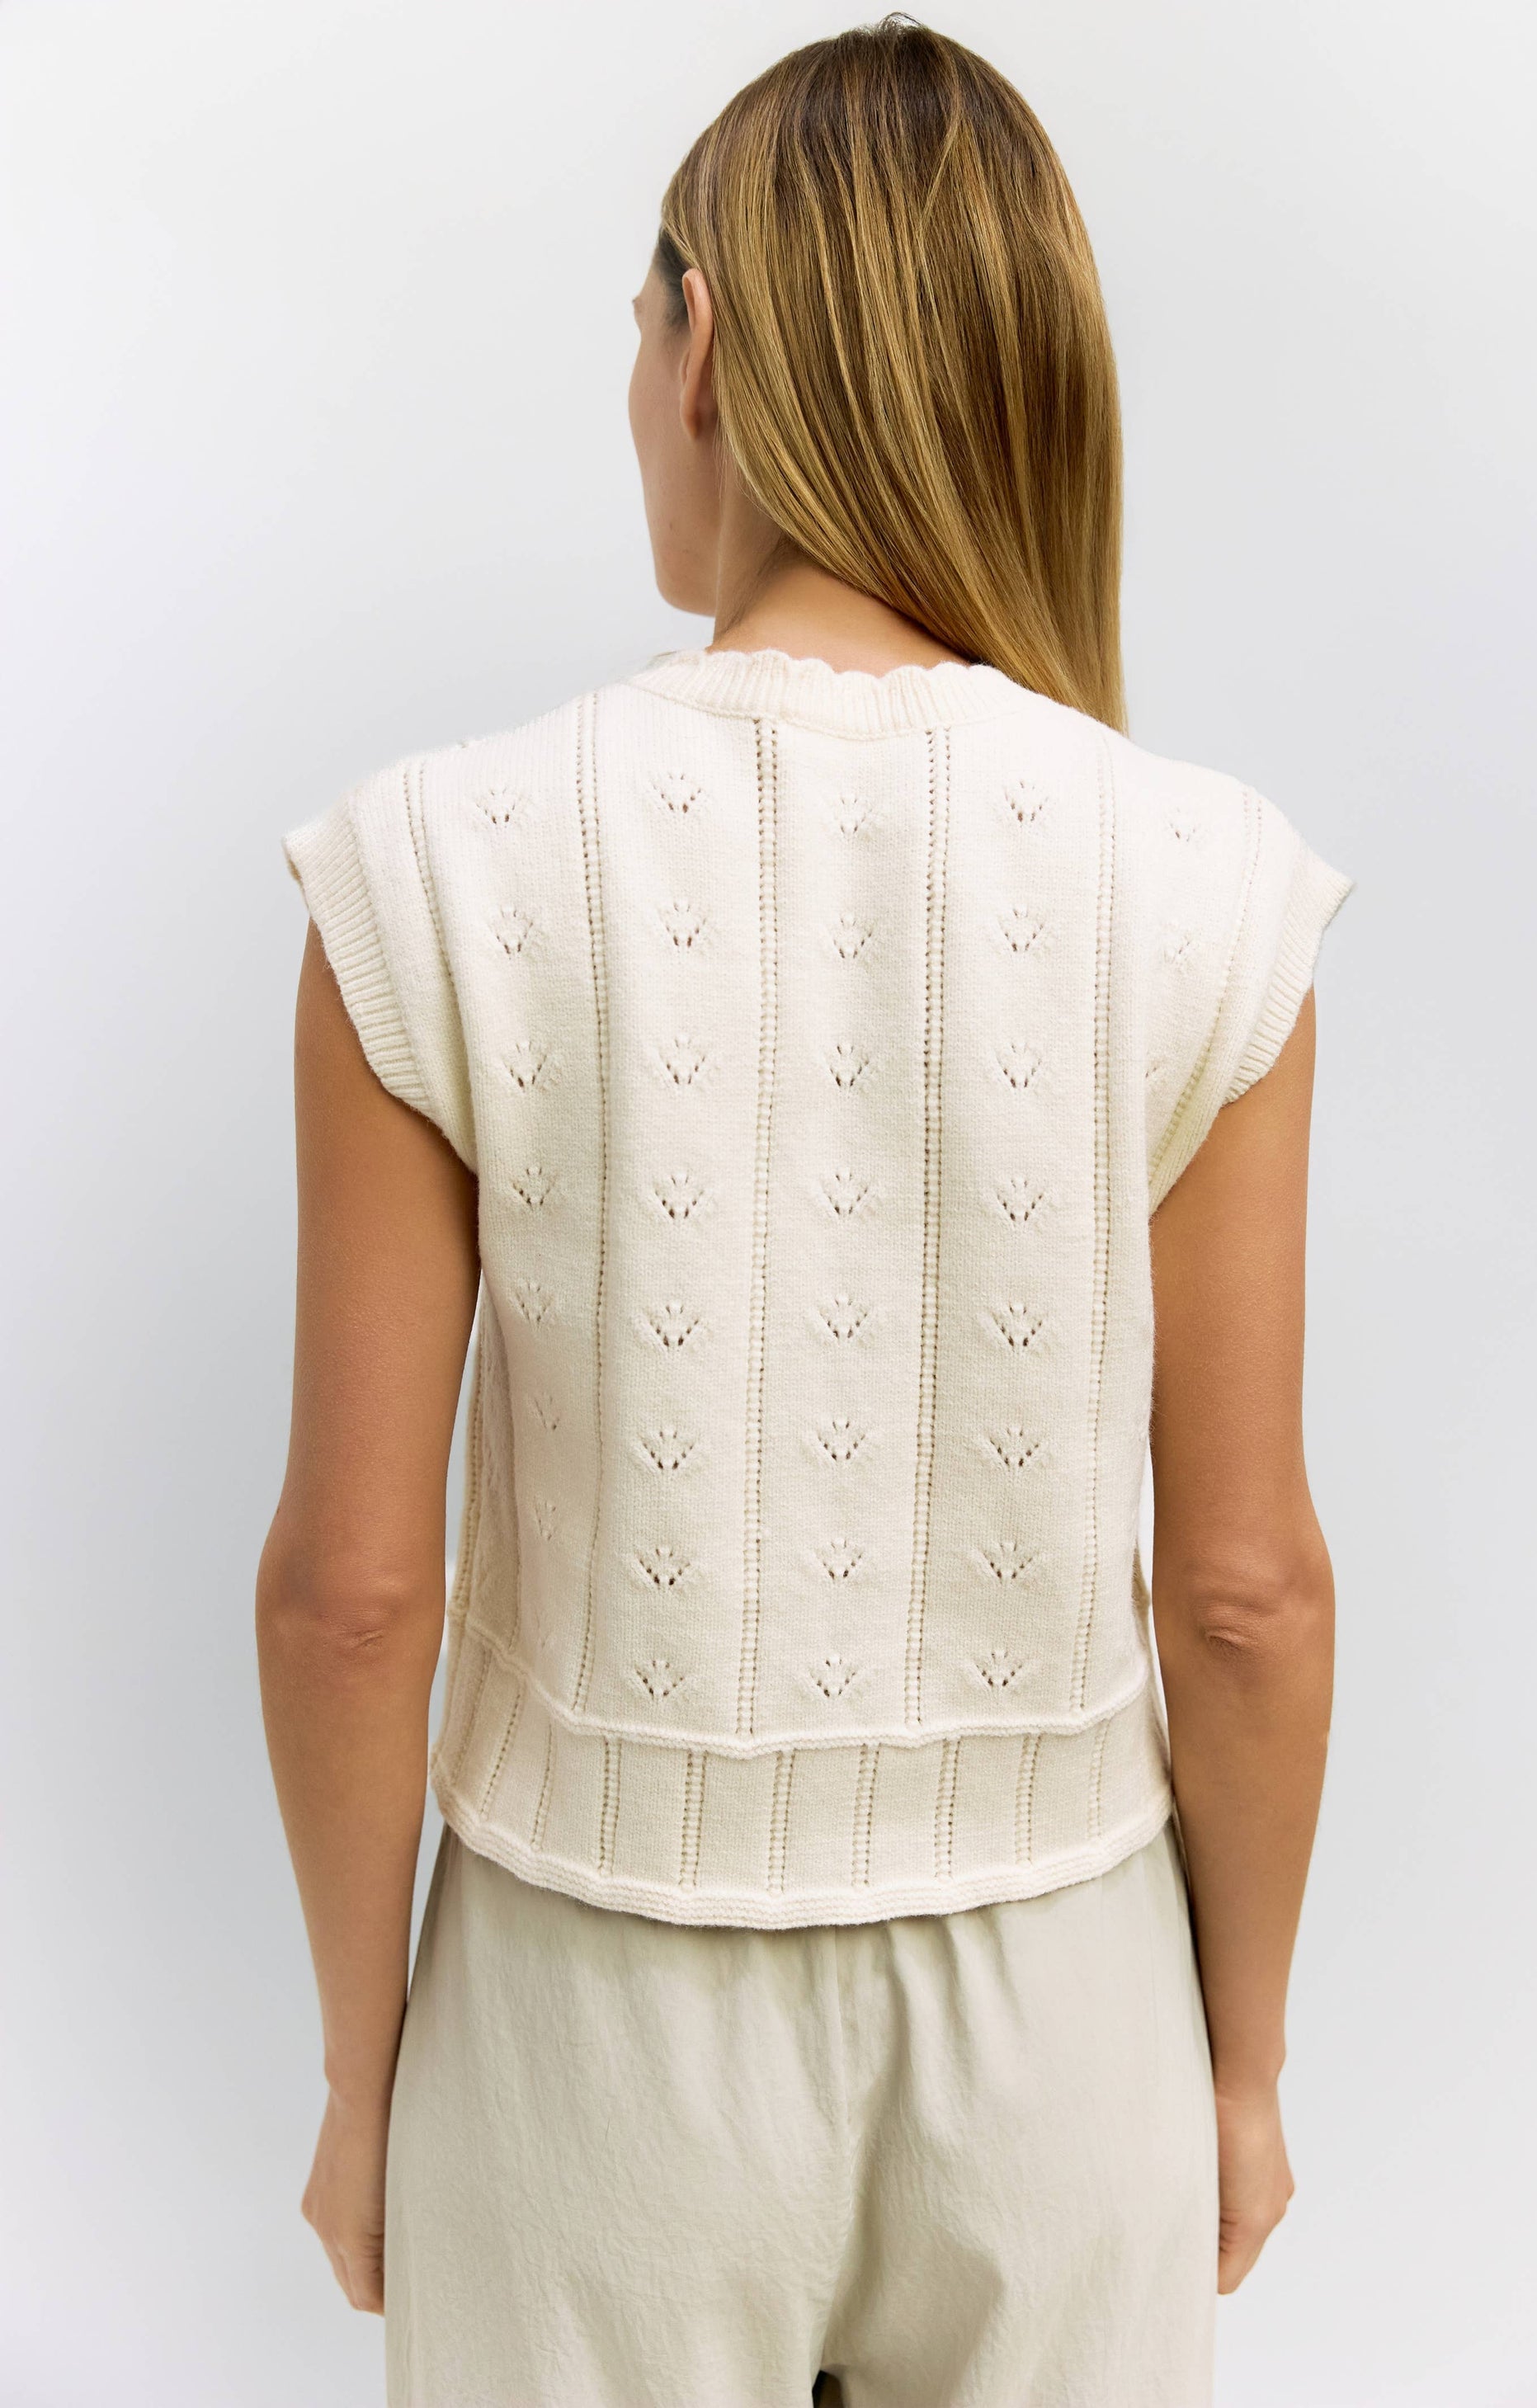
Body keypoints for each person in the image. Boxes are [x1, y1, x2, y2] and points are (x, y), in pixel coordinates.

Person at [257, 19, 1351, 2406]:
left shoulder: (431, 874)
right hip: (1062, 2007)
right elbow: (1247, 1592)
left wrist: (364, 2078)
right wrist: (1242, 2061)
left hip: (588, 2015)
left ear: (704, 341)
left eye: (632, 324)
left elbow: (351, 1595)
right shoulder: (1202, 886)